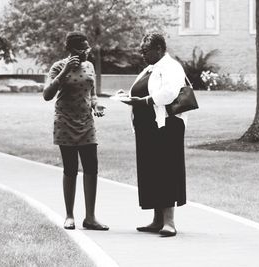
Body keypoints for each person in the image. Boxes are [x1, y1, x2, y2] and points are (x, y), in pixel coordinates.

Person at [120, 33, 187, 237]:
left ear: (159, 48)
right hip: (147, 128)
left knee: (165, 171)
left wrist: (144, 101)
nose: (142, 54)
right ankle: (157, 220)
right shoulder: (150, 68)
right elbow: (142, 90)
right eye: (141, 50)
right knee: (152, 172)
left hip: (166, 126)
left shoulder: (171, 67)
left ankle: (169, 222)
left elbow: (170, 93)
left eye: (145, 50)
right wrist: (129, 97)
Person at [43, 31, 108, 231]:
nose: (87, 52)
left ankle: (90, 217)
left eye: (88, 48)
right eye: (83, 49)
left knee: (91, 168)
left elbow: (92, 92)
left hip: (87, 123)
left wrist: (96, 106)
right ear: (72, 50)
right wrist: (64, 73)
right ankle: (69, 215)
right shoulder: (58, 67)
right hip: (65, 122)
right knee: (70, 169)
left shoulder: (89, 66)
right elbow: (47, 95)